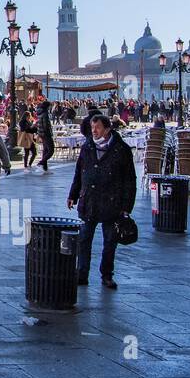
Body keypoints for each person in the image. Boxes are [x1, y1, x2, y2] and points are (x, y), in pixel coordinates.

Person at [67, 113, 137, 289]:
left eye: (97, 128)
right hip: (89, 200)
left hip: (111, 203)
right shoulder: (87, 147)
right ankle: (81, 273)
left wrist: (127, 207)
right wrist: (73, 195)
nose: (94, 131)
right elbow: (79, 172)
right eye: (92, 128)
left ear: (107, 129)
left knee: (110, 241)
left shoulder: (121, 150)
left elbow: (130, 180)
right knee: (84, 240)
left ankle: (107, 274)